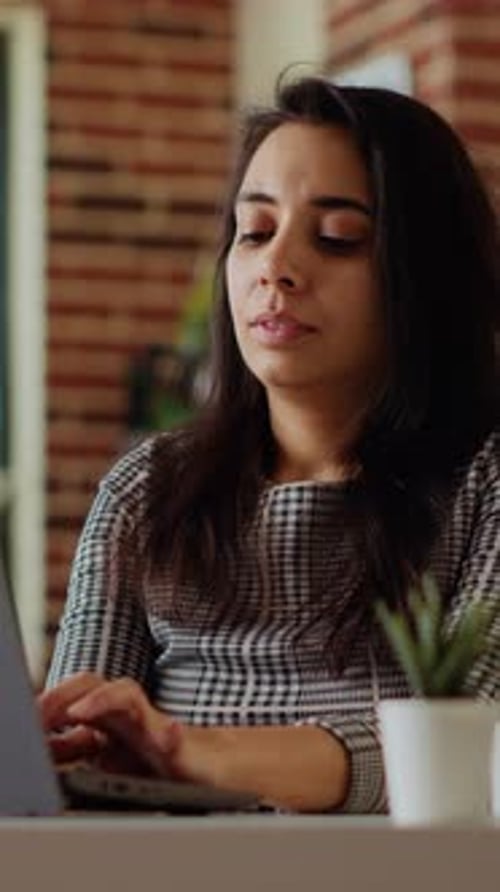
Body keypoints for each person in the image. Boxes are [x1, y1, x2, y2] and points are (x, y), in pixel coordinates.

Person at [39, 75, 499, 814]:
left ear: (426, 275)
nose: (274, 268)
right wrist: (73, 744)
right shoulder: (146, 486)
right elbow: (84, 769)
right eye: (253, 231)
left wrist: (192, 749)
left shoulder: (485, 480)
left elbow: (480, 749)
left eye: (337, 238)